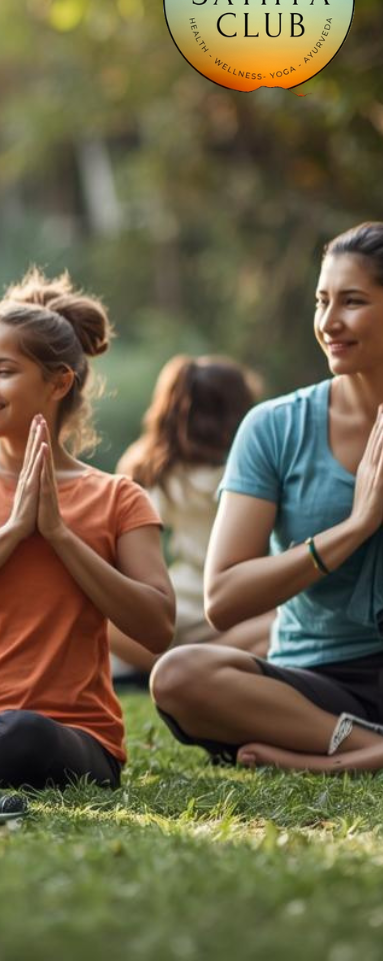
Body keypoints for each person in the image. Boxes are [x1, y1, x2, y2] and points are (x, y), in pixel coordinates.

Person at [151, 222, 383, 773]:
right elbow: (225, 597)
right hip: (316, 683)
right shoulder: (274, 427)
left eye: (352, 302)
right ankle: (364, 751)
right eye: (322, 301)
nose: (329, 323)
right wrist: (354, 527)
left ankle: (334, 757)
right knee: (179, 676)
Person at [0, 269, 175, 790]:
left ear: (59, 382)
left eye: (3, 371)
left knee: (22, 735)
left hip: (71, 739)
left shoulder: (118, 497)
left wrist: (61, 536)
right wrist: (15, 530)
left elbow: (158, 627)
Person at [110, 354, 271, 679]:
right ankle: (199, 665)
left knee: (96, 609)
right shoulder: (252, 468)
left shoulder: (149, 466)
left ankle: (164, 666)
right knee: (288, 620)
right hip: (240, 609)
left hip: (176, 607)